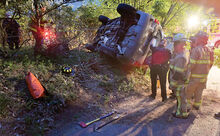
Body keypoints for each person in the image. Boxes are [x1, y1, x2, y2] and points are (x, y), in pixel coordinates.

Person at [186, 31, 214, 111]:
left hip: (194, 77)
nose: (195, 39)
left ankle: (187, 107)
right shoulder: (209, 50)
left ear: (200, 39)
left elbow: (191, 64)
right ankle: (197, 105)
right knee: (199, 92)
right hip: (204, 77)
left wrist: (186, 72)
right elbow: (211, 63)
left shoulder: (196, 50)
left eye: (196, 38)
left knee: (189, 92)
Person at [169, 33, 189, 119]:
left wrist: (172, 84)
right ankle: (180, 112)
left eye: (175, 43)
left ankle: (181, 114)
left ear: (180, 44)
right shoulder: (184, 52)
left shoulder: (181, 57)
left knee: (180, 98)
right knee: (180, 98)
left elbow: (178, 73)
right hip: (181, 81)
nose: (174, 45)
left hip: (179, 82)